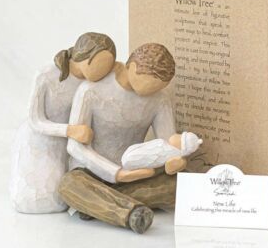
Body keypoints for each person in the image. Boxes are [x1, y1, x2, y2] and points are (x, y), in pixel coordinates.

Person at [59, 42, 184, 234]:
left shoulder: (160, 99)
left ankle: (96, 204)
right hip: (91, 172)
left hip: (135, 173)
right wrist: (116, 173)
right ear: (132, 67)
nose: (153, 92)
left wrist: (174, 160)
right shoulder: (91, 89)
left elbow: (168, 143)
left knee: (180, 183)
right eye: (149, 84)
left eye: (159, 87)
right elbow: (74, 147)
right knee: (69, 185)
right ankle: (130, 213)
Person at [10, 32, 117, 213]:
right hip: (39, 142)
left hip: (69, 145)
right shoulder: (46, 75)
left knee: (67, 194)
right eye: (100, 65)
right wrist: (70, 130)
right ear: (84, 56)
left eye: (108, 67)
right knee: (38, 199)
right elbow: (35, 119)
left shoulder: (91, 84)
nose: (103, 72)